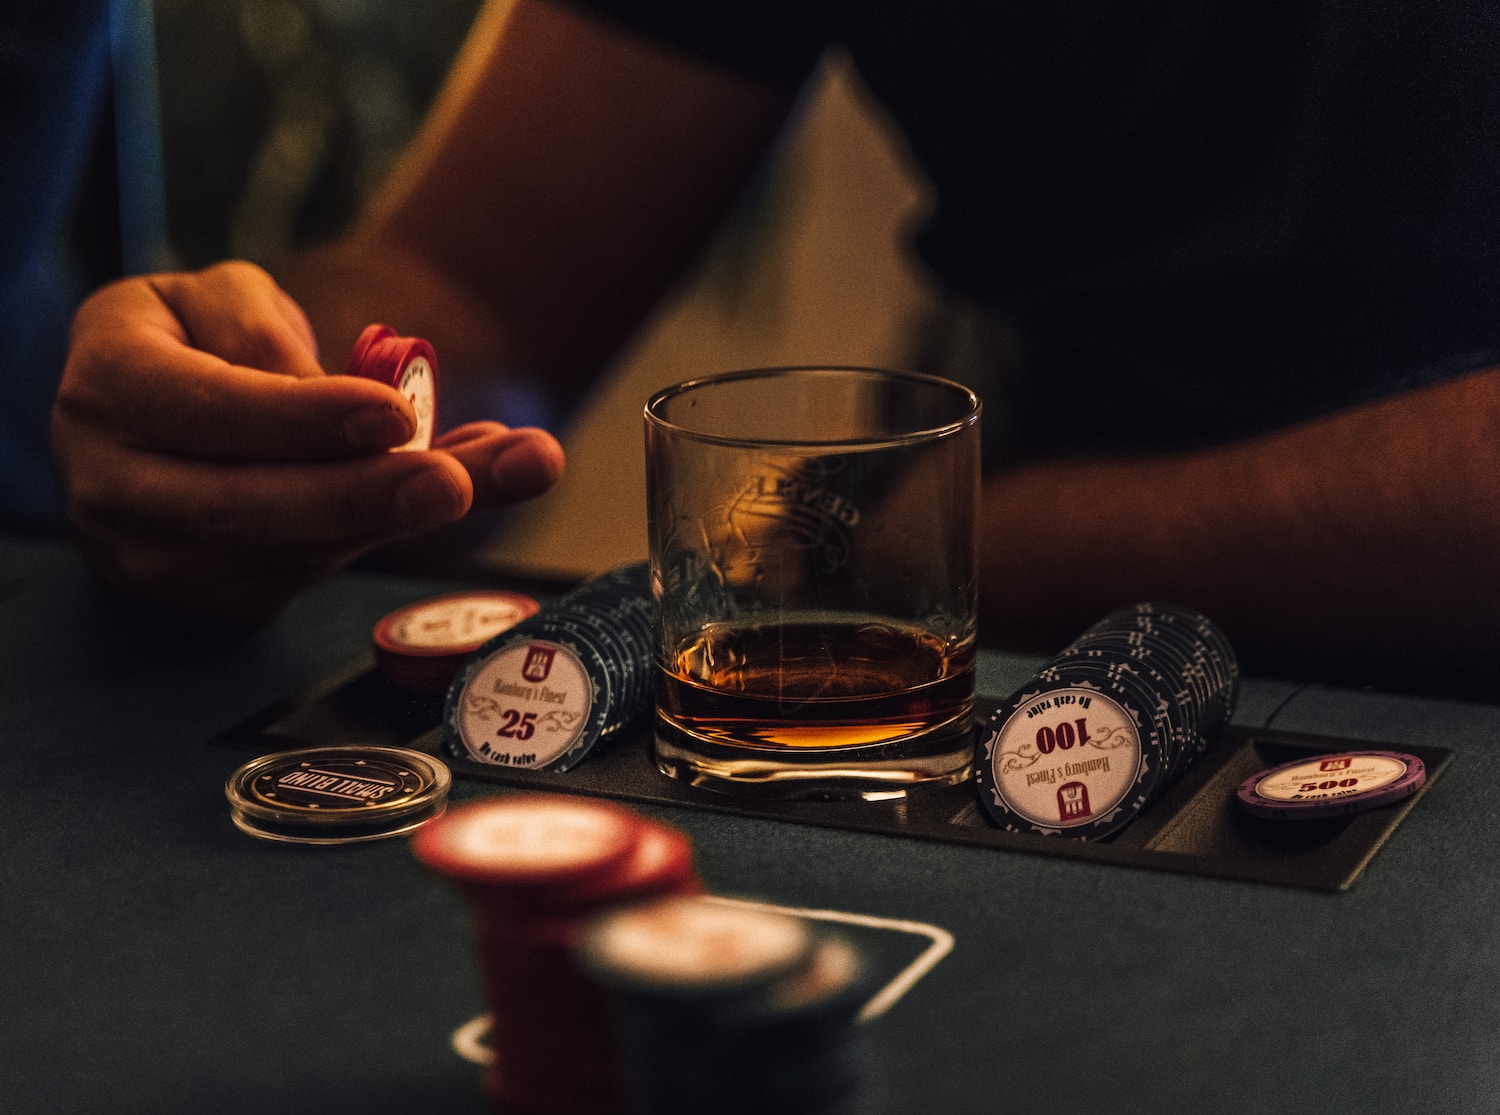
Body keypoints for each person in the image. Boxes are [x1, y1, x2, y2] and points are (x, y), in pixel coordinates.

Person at [49, 0, 1500, 684]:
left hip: (1022, 599)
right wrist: (257, 398)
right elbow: (470, 281)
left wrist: (925, 558)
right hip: (1006, 670)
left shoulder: (956, 556)